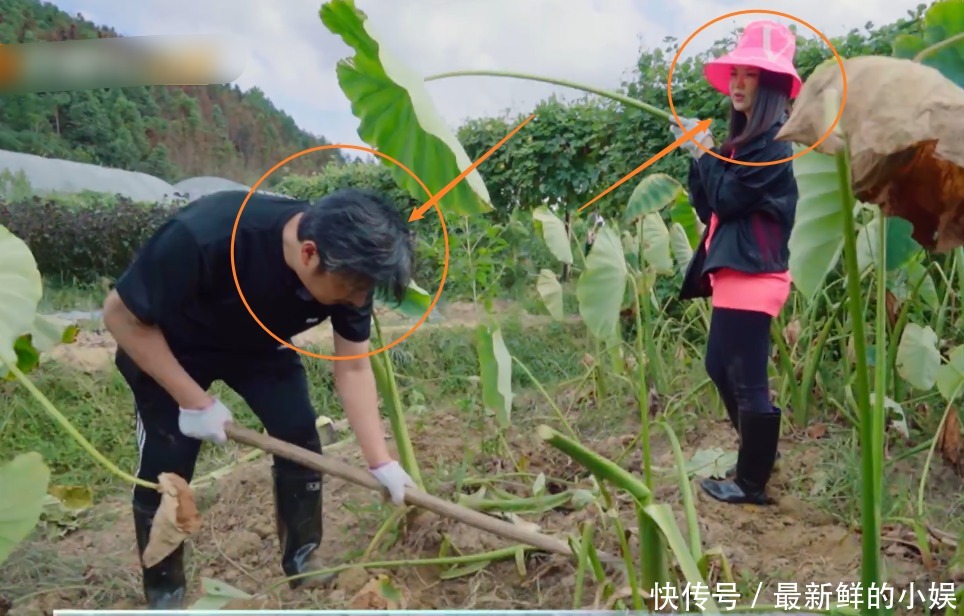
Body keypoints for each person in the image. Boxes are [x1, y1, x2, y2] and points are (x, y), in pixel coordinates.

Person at [102, 187, 418, 608]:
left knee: (299, 437)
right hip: (171, 344)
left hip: (259, 343)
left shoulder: (350, 273)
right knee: (167, 464)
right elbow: (119, 316)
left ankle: (303, 562)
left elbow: (355, 367)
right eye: (352, 290)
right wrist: (193, 400)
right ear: (309, 254)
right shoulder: (205, 235)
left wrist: (382, 462)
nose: (358, 301)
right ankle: (165, 590)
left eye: (365, 291)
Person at [670, 19, 801, 506]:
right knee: (719, 368)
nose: (738, 83)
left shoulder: (773, 147)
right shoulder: (744, 145)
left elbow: (729, 200)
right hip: (733, 271)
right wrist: (699, 157)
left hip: (755, 274)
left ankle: (752, 483)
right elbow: (710, 208)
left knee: (746, 379)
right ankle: (759, 456)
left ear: (770, 86)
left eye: (750, 74)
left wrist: (703, 153)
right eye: (736, 73)